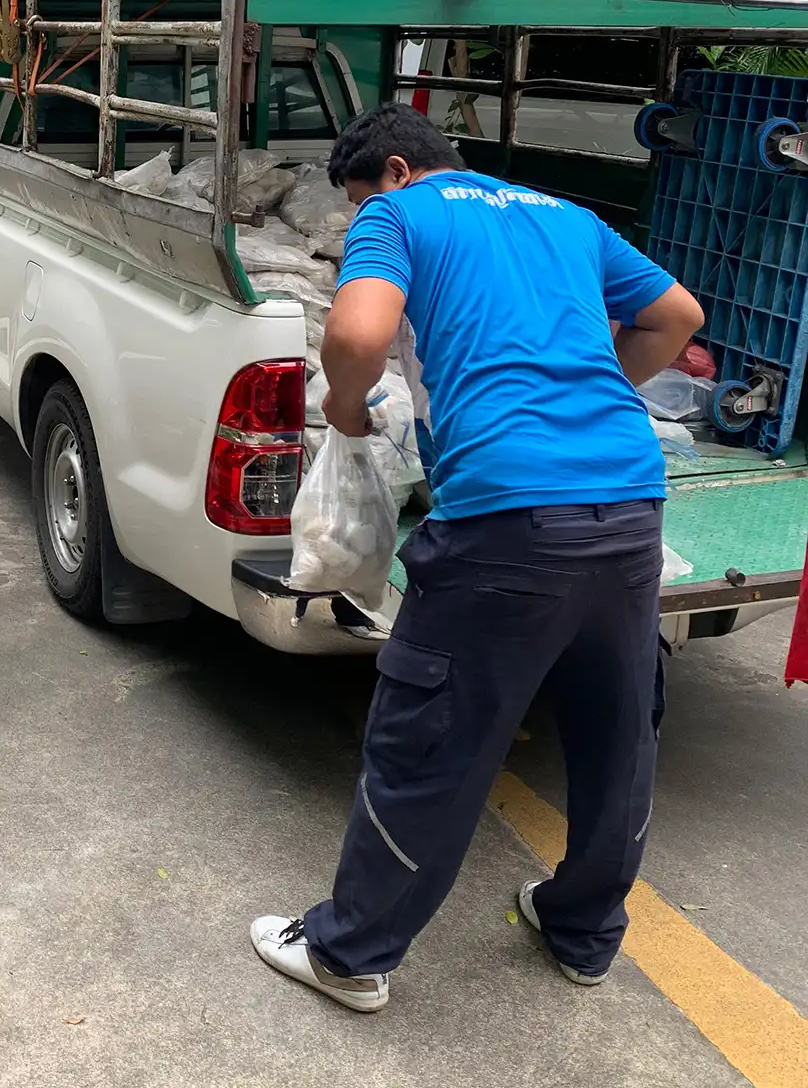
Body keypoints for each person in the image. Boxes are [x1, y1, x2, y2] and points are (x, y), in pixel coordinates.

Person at [252, 104, 704, 1013]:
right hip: (629, 504)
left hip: (506, 516)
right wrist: (586, 393)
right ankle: (581, 934)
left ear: (392, 170)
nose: (354, 222)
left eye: (354, 204)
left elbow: (356, 336)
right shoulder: (566, 216)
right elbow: (677, 316)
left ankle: (351, 953)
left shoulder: (401, 213)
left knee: (431, 737)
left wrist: (345, 407)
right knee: (617, 733)